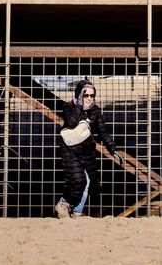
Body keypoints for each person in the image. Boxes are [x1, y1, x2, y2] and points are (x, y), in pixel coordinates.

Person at [54, 79, 122, 219]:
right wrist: (79, 105)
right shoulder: (69, 107)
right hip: (69, 149)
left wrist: (112, 149)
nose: (89, 98)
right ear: (79, 95)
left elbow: (103, 131)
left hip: (85, 151)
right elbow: (71, 122)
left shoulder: (95, 110)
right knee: (78, 180)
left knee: (88, 181)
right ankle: (63, 203)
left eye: (92, 95)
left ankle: (77, 212)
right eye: (86, 95)